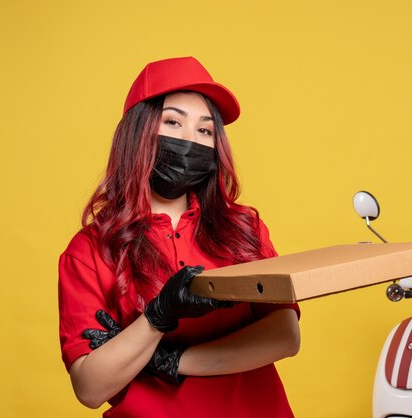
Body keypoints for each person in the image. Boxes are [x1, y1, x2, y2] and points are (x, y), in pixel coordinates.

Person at [58, 56, 301, 417]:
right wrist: (158, 316)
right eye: (172, 122)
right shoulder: (89, 250)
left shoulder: (243, 229)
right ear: (136, 134)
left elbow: (285, 336)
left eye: (204, 130)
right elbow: (91, 388)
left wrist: (167, 360)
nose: (191, 140)